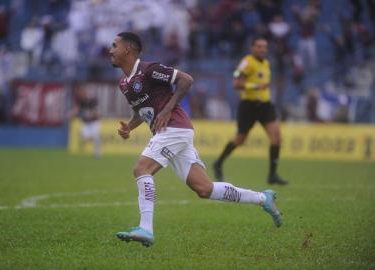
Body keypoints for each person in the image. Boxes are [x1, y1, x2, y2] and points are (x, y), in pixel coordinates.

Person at [109, 32, 283, 247]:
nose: (110, 50)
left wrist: (168, 109)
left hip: (174, 128)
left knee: (141, 169)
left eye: (114, 45)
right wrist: (130, 127)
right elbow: (140, 111)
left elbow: (186, 79)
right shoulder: (125, 83)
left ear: (127, 49)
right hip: (171, 132)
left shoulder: (149, 69)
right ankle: (263, 199)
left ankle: (146, 229)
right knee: (204, 188)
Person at [213, 37, 288, 185]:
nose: (263, 50)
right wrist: (255, 87)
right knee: (240, 139)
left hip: (265, 105)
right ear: (252, 48)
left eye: (265, 47)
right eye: (259, 47)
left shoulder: (266, 63)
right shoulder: (247, 62)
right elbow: (236, 83)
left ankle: (272, 174)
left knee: (276, 137)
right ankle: (218, 163)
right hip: (249, 105)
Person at [69, 86, 102, 158]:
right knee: (86, 137)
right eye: (80, 93)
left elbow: (97, 112)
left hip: (94, 122)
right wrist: (72, 114)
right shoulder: (81, 101)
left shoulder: (92, 100)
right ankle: (92, 143)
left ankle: (97, 154)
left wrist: (91, 114)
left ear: (85, 92)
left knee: (96, 137)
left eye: (82, 92)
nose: (81, 94)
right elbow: (76, 109)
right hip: (85, 123)